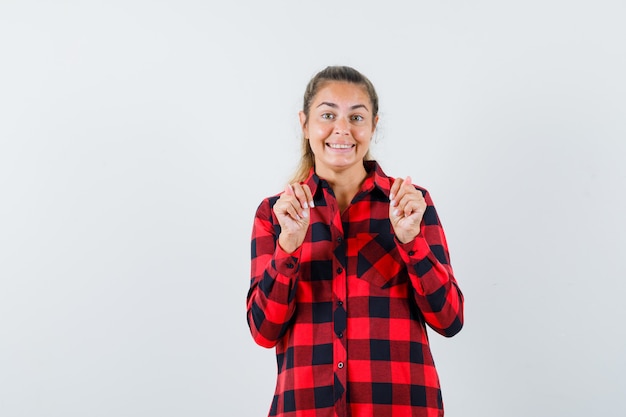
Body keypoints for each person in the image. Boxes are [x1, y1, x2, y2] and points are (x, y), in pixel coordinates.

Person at [246, 65, 464, 417]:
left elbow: (450, 319)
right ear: (305, 124)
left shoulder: (410, 205)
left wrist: (411, 243)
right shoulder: (276, 214)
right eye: (328, 114)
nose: (342, 129)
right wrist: (288, 246)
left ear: (374, 125)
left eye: (357, 117)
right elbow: (263, 330)